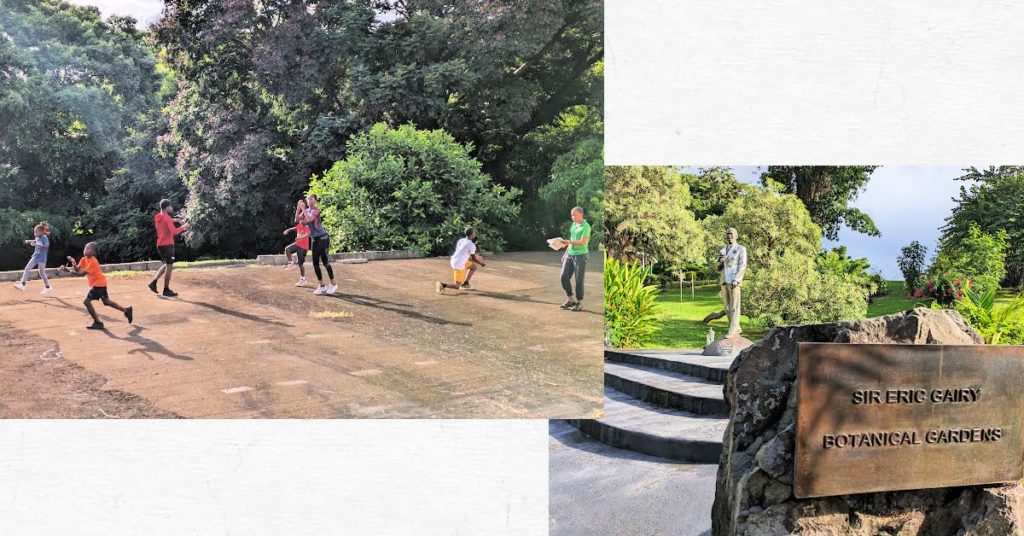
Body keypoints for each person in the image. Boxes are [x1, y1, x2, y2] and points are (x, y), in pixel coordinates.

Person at [61, 242, 133, 330]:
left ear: (93, 252)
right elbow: (77, 269)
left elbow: (82, 274)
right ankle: (127, 310)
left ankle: (98, 322)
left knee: (86, 302)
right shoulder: (84, 259)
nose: (85, 250)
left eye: (88, 249)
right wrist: (73, 262)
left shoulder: (93, 261)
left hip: (99, 284)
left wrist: (68, 271)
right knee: (106, 302)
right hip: (100, 283)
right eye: (85, 248)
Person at [148, 199, 190, 297]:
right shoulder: (166, 218)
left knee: (166, 265)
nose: (172, 208)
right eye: (170, 206)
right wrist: (184, 226)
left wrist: (176, 220)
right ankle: (166, 290)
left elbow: (167, 220)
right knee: (169, 267)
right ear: (167, 207)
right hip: (167, 245)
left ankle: (153, 283)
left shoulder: (158, 216)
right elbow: (174, 232)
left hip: (160, 245)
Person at [301, 194, 337, 295]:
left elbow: (309, 219)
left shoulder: (316, 210)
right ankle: (322, 286)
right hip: (315, 240)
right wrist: (299, 208)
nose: (309, 200)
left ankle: (333, 284)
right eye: (308, 198)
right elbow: (301, 221)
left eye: (311, 198)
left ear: (315, 201)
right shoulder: (307, 211)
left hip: (323, 239)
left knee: (325, 263)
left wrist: (303, 209)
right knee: (315, 264)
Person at [436, 227, 486, 294]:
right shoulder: (471, 245)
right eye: (474, 232)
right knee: (457, 286)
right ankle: (443, 285)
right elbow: (473, 259)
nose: (475, 234)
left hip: (455, 260)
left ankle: (465, 283)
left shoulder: (461, 240)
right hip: (459, 264)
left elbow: (464, 255)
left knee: (473, 266)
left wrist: (475, 258)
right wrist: (481, 263)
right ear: (472, 235)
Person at [717, 227, 748, 336]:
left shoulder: (741, 249)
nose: (729, 236)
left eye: (731, 234)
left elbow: (743, 265)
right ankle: (736, 327)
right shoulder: (722, 250)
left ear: (736, 236)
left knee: (734, 306)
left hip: (734, 281)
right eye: (727, 234)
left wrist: (737, 279)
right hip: (724, 281)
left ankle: (733, 329)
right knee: (727, 307)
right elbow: (718, 268)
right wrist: (721, 261)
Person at [559, 206, 591, 312]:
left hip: (581, 255)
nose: (573, 217)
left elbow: (583, 241)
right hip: (570, 254)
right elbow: (572, 239)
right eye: (572, 215)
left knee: (579, 279)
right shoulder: (573, 225)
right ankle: (570, 299)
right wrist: (566, 253)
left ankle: (579, 303)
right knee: (564, 276)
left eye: (575, 215)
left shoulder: (586, 226)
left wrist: (569, 242)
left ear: (581, 214)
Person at [14, 222, 53, 295]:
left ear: (41, 232)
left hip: (42, 257)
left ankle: (47, 287)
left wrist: (36, 244)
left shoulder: (44, 237)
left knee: (41, 272)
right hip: (36, 256)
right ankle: (22, 284)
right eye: (34, 232)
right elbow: (35, 241)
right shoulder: (37, 237)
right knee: (27, 268)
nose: (35, 233)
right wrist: (29, 241)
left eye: (36, 232)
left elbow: (46, 246)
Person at [283, 199, 311, 287]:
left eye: (302, 220)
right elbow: (295, 224)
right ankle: (291, 263)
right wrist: (288, 230)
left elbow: (308, 234)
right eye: (300, 220)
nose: (300, 221)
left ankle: (303, 279)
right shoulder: (300, 224)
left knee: (300, 264)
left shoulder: (307, 225)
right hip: (298, 244)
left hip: (303, 247)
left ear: (306, 220)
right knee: (287, 249)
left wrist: (301, 237)